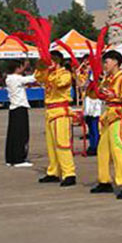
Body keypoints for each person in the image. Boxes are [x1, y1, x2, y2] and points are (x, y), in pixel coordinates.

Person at [90, 50, 122, 199]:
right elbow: (94, 95)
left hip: (119, 118)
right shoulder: (107, 80)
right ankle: (104, 181)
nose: (104, 65)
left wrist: (114, 95)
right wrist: (94, 85)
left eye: (106, 62)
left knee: (119, 152)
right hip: (107, 119)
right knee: (102, 152)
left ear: (116, 62)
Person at [33, 51, 77, 185]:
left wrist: (51, 72)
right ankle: (54, 171)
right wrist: (42, 67)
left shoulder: (65, 74)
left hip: (61, 111)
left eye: (50, 61)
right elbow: (38, 77)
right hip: (50, 111)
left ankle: (69, 173)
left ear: (56, 62)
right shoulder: (49, 73)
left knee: (62, 144)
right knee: (51, 145)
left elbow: (60, 83)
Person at [4, 60, 36, 167]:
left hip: (14, 108)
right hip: (19, 108)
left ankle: (11, 158)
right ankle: (19, 159)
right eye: (22, 67)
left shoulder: (9, 78)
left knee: (13, 134)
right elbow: (33, 78)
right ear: (17, 68)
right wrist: (41, 68)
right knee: (21, 134)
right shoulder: (16, 78)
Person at [77, 56, 102, 155]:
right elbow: (81, 86)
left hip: (94, 101)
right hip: (88, 100)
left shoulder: (95, 73)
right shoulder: (89, 74)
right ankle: (92, 145)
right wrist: (77, 76)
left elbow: (85, 85)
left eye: (88, 64)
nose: (86, 66)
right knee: (90, 124)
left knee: (94, 124)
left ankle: (95, 146)